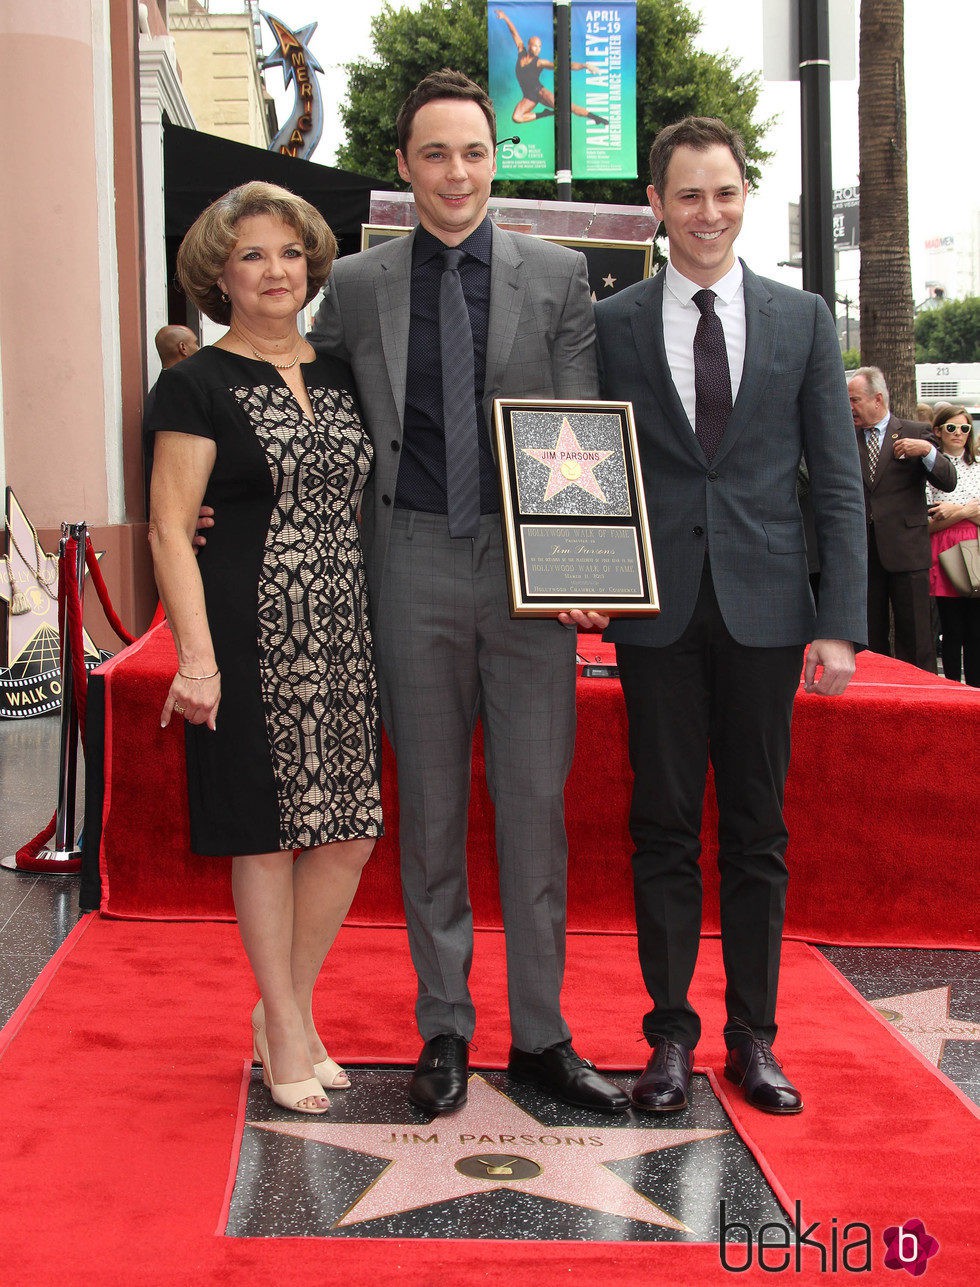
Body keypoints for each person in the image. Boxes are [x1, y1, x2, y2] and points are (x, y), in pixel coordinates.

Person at [309, 69, 627, 1116]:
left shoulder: (557, 274)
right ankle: (442, 1026)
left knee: (533, 810)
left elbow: (576, 424)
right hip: (406, 563)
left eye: (473, 152)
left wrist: (582, 567)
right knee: (433, 814)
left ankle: (540, 1036)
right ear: (403, 166)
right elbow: (308, 413)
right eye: (434, 153)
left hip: (527, 577)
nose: (456, 172)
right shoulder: (356, 286)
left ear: (498, 160)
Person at [594, 116, 868, 1116]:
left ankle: (754, 1037)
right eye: (687, 195)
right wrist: (582, 577)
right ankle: (668, 1037)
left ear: (743, 196)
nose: (707, 212)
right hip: (653, 613)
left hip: (764, 612)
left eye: (724, 192)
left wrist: (834, 620)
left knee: (757, 832)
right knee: (659, 827)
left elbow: (834, 483)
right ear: (656, 209)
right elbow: (583, 465)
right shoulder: (613, 323)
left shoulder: (799, 317)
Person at [147, 182, 382, 1115]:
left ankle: (281, 1006)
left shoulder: (343, 373)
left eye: (289, 252)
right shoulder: (194, 383)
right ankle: (286, 1025)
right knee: (269, 834)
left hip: (345, 633)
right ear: (218, 273)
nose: (275, 270)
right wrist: (196, 659)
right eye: (252, 255)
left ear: (311, 264)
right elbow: (171, 527)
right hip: (247, 634)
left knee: (351, 828)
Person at [848, 366, 956, 671]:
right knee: (869, 638)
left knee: (917, 636)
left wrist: (926, 452)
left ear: (878, 399)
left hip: (906, 551)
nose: (850, 407)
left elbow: (948, 480)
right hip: (864, 553)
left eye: (855, 400)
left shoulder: (915, 432)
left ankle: (923, 699)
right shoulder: (845, 435)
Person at [927, 405, 980, 685]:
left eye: (964, 428)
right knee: (951, 628)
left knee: (976, 628)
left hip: (976, 548)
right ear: (938, 431)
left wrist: (956, 511)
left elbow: (948, 512)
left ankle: (975, 689)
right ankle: (949, 686)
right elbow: (930, 519)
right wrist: (970, 509)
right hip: (944, 549)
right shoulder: (931, 468)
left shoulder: (979, 465)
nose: (958, 433)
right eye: (951, 427)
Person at [494, 9, 607, 126]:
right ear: (529, 46)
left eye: (540, 46)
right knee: (517, 117)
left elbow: (564, 66)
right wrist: (505, 17)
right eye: (535, 46)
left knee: (568, 107)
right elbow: (514, 33)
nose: (538, 49)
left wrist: (584, 65)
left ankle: (596, 118)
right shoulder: (521, 51)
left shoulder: (540, 63)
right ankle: (544, 114)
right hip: (528, 96)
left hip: (540, 93)